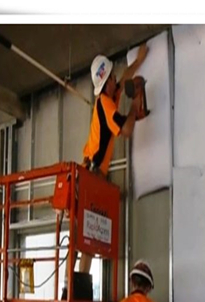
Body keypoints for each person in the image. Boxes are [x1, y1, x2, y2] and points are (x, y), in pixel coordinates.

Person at [77, 44, 148, 277]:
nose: (116, 79)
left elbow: (124, 79)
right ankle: (77, 283)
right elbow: (126, 129)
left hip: (93, 173)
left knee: (90, 232)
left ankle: (79, 282)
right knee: (88, 235)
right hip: (91, 173)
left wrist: (138, 61)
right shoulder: (105, 104)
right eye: (112, 77)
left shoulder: (110, 94)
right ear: (106, 81)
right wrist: (135, 107)